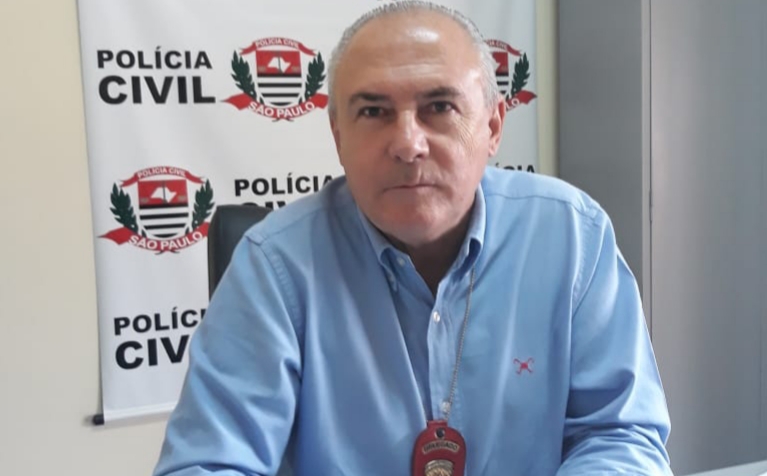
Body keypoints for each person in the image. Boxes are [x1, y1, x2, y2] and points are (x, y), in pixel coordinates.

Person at [153, 1, 673, 475]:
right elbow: (207, 465)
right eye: (374, 111)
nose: (407, 144)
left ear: (493, 127)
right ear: (338, 136)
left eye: (439, 107)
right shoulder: (274, 266)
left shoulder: (571, 235)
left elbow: (621, 435)